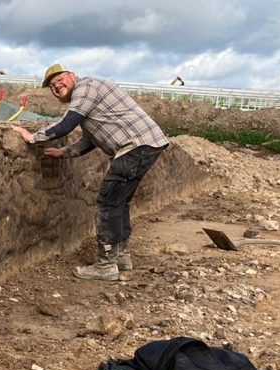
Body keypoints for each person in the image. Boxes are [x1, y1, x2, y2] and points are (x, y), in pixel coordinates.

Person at [12, 63, 170, 281]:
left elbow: (67, 123)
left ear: (73, 76)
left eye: (60, 81)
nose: (57, 87)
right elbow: (90, 140)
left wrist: (33, 137)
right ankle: (122, 257)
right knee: (119, 202)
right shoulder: (89, 99)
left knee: (107, 203)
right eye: (52, 86)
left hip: (135, 146)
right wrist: (63, 152)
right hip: (145, 145)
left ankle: (106, 265)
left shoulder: (86, 88)